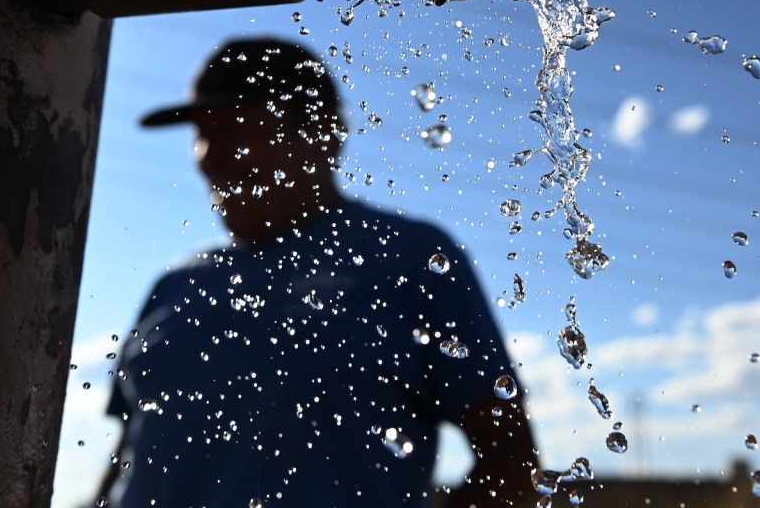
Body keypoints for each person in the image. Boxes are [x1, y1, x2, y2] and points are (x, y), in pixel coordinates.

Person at [98, 37, 538, 508]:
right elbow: (129, 452)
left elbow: (510, 461)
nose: (211, 155)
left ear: (322, 133)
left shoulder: (407, 257)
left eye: (237, 128)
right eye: (202, 134)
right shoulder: (174, 285)